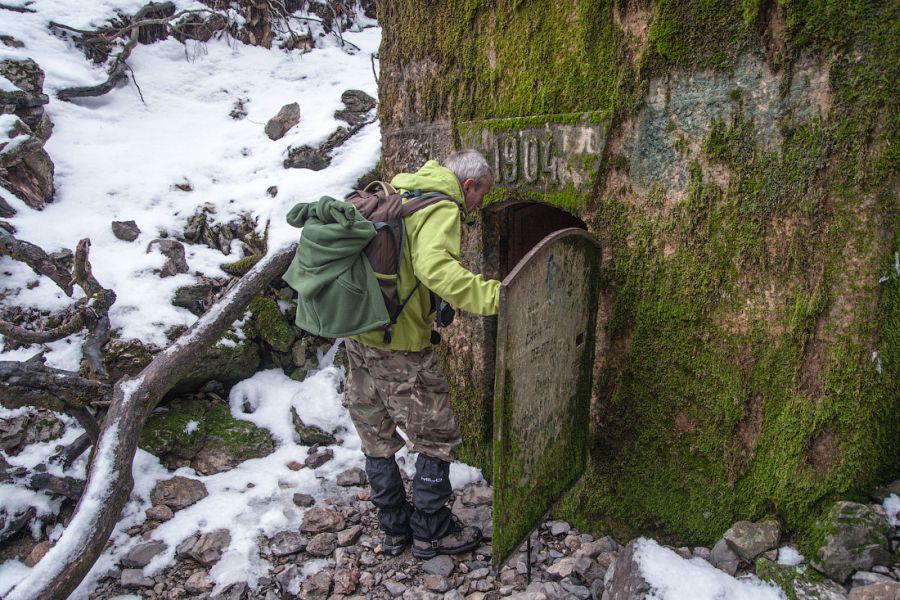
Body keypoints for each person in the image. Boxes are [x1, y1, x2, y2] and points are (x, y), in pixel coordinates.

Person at [344, 149, 500, 559]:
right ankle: (432, 531)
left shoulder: (401, 188)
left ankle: (394, 530)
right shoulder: (442, 207)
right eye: (480, 197)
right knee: (435, 437)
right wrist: (497, 297)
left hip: (359, 335)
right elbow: (436, 269)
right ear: (468, 185)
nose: (477, 207)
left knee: (376, 437)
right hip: (402, 347)